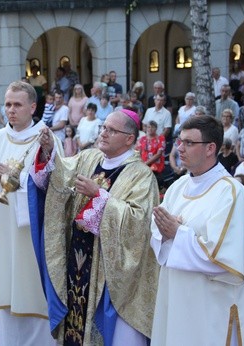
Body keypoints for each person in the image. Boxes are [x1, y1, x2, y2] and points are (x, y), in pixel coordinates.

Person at [29, 109, 160, 345]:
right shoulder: (89, 158)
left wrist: (98, 195)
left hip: (106, 271)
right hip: (77, 259)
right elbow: (60, 175)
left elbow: (139, 223)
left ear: (129, 138)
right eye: (103, 127)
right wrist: (49, 150)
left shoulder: (141, 175)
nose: (104, 133)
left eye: (112, 130)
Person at [150, 115, 244, 345]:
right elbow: (158, 231)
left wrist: (177, 233)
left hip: (211, 309)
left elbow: (224, 259)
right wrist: (166, 231)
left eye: (189, 143)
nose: (179, 148)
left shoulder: (232, 194)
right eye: (179, 141)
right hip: (176, 297)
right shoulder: (178, 186)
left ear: (211, 148)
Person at [0, 81, 63, 345]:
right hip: (3, 229)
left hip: (31, 234)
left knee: (31, 292)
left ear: (33, 107)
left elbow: (57, 184)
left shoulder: (46, 139)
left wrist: (18, 178)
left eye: (17, 104)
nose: (11, 110)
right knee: (7, 296)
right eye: (8, 104)